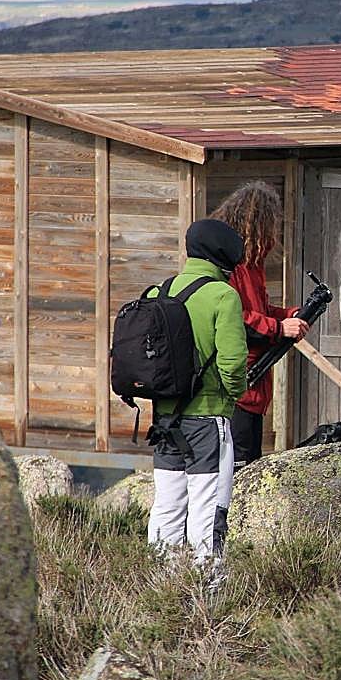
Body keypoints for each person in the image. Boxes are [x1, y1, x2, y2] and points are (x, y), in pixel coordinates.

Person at [147, 219, 248, 564]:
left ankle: (163, 589)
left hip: (164, 421)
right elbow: (233, 364)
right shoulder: (223, 296)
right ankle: (207, 594)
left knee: (167, 506)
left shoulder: (157, 293)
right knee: (208, 510)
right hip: (208, 421)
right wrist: (233, 396)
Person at [209, 181, 308, 467]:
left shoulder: (252, 265)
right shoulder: (232, 267)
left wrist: (287, 314)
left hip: (254, 384)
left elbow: (257, 311)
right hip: (236, 382)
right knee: (238, 465)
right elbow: (233, 319)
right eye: (271, 224)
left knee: (249, 460)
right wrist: (278, 328)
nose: (273, 233)